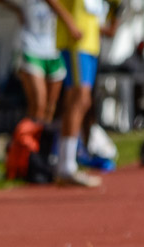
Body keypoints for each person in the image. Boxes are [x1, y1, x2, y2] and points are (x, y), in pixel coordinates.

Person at [44, 0, 118, 187]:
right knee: (79, 99)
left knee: (79, 101)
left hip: (90, 43)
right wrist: (69, 22)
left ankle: (66, 163)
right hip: (75, 42)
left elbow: (103, 17)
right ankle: (66, 166)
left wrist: (114, 17)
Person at [0, 0, 66, 123]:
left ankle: (40, 139)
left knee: (51, 107)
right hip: (30, 47)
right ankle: (32, 139)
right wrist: (16, 9)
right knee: (38, 104)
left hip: (54, 49)